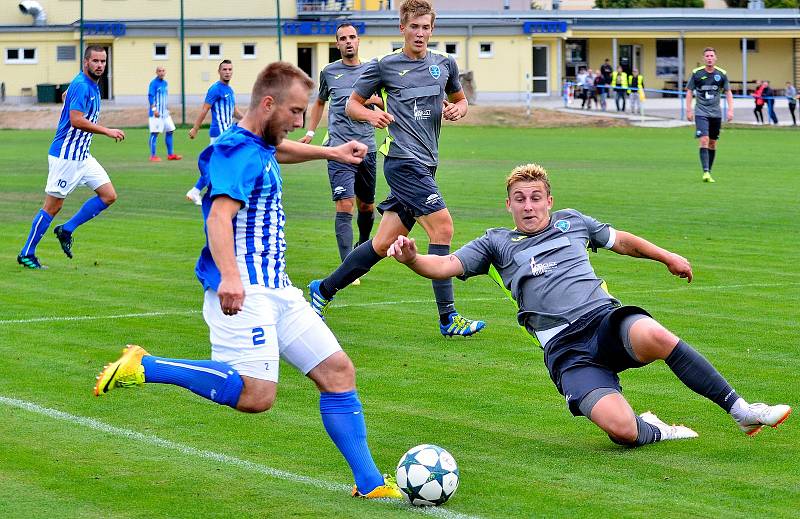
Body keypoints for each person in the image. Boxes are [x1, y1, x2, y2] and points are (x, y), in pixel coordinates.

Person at [93, 61, 403, 500]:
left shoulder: (258, 144)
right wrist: (232, 279)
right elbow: (220, 217)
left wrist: (331, 153)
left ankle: (370, 483)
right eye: (295, 113)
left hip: (279, 288)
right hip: (245, 290)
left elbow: (279, 151)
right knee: (256, 395)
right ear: (269, 103)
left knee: (337, 372)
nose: (300, 122)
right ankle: (146, 365)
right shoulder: (237, 151)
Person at [387, 163, 792, 447]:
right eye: (519, 199)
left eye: (535, 198)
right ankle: (656, 428)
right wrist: (412, 258)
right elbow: (445, 265)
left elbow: (622, 241)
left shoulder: (572, 221)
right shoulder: (496, 242)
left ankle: (741, 410)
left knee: (654, 333)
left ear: (549, 201)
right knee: (622, 431)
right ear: (507, 204)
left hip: (604, 320)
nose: (528, 206)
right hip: (566, 349)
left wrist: (667, 256)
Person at [307, 0, 486, 338]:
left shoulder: (444, 64)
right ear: (402, 28)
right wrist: (372, 115)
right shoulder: (384, 66)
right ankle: (449, 318)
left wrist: (459, 109)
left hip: (427, 164)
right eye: (414, 27)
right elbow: (351, 104)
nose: (420, 33)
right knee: (442, 228)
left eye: (426, 27)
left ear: (433, 29)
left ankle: (323, 289)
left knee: (382, 243)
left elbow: (460, 99)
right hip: (402, 162)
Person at [17, 45, 125, 270]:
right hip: (66, 157)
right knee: (52, 207)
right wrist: (107, 130)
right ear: (86, 62)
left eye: (103, 62)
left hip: (83, 156)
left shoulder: (90, 85)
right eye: (95, 61)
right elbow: (76, 120)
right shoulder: (82, 85)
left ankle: (66, 230)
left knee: (108, 196)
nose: (99, 65)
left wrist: (68, 97)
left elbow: (68, 96)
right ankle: (27, 253)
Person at [299, 23, 384, 280]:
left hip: (366, 148)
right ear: (337, 44)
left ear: (358, 41)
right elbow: (320, 102)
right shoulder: (329, 72)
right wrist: (311, 133)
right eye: (342, 38)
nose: (348, 42)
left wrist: (366, 102)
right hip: (337, 148)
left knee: (366, 206)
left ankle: (363, 244)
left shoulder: (372, 70)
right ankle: (349, 267)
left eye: (352, 37)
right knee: (344, 205)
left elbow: (382, 100)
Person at [186, 60, 245, 205]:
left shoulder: (229, 90)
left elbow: (234, 111)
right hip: (219, 133)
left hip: (228, 133)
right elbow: (204, 109)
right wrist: (195, 128)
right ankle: (199, 191)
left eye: (230, 69)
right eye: (224, 69)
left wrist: (248, 121)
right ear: (219, 72)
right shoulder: (215, 89)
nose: (227, 72)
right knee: (224, 163)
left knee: (222, 164)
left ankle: (197, 191)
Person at [685, 47, 734, 183]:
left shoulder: (722, 74)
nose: (709, 58)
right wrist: (688, 110)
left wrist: (730, 110)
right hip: (701, 112)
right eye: (707, 56)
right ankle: (705, 171)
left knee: (712, 143)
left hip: (716, 113)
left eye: (711, 55)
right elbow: (689, 91)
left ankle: (709, 171)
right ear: (703, 58)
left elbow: (728, 92)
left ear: (715, 58)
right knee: (704, 140)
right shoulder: (697, 74)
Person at [147, 66, 182, 162]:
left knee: (170, 130)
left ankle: (170, 154)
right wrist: (154, 109)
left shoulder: (165, 83)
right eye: (159, 71)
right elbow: (150, 97)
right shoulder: (153, 84)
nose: (161, 73)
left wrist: (167, 108)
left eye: (163, 71)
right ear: (156, 72)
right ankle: (152, 155)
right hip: (156, 114)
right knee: (154, 133)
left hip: (165, 114)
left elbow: (164, 98)